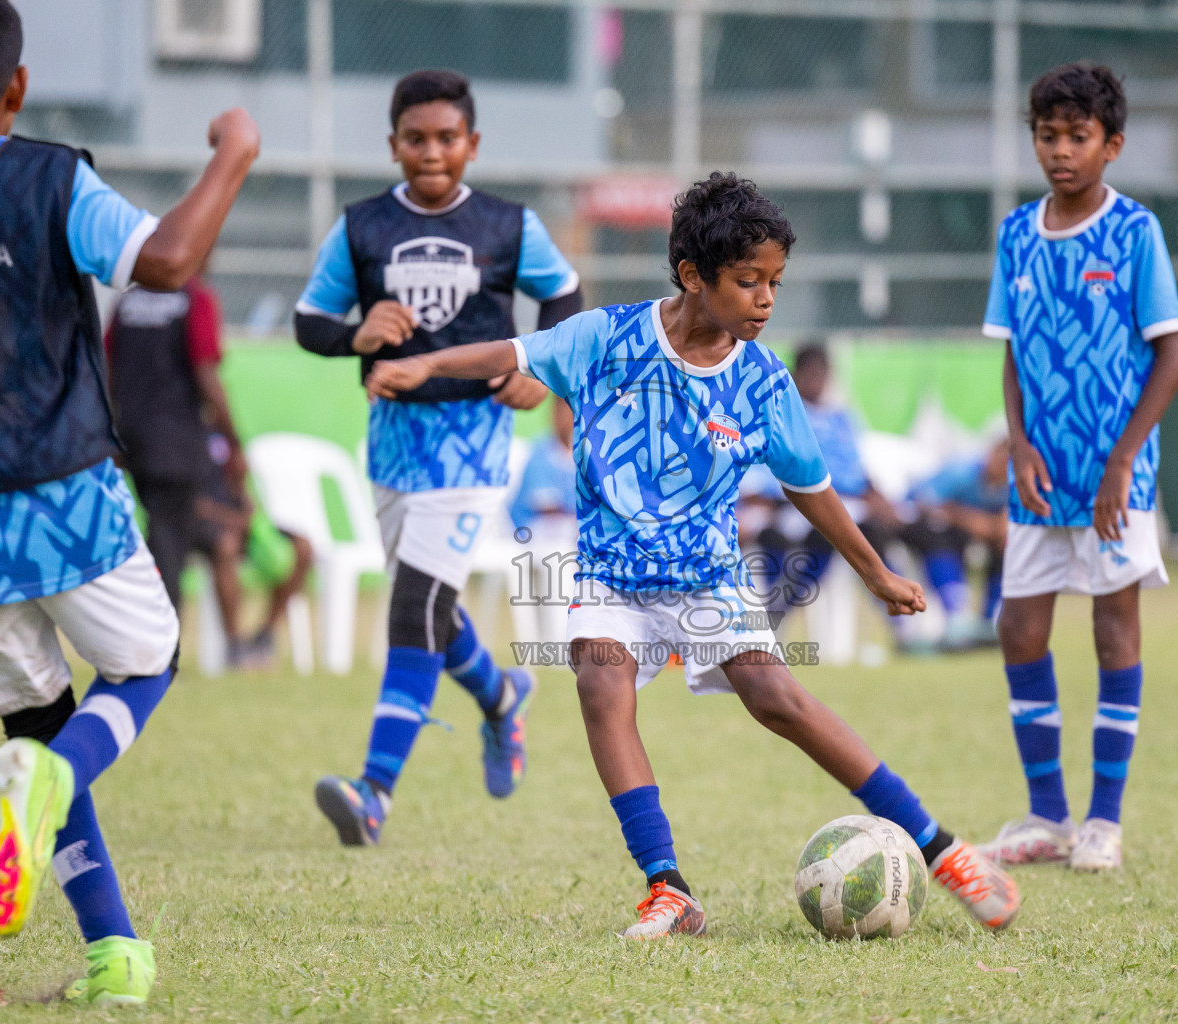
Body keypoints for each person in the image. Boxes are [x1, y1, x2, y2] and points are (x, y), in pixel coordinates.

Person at [364, 171, 1020, 939]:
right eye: (749, 282)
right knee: (600, 679)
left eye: (775, 282)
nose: (767, 299)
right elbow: (506, 349)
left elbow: (812, 489)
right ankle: (667, 887)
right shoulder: (603, 339)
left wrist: (875, 570)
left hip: (705, 578)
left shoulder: (764, 384)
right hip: (609, 572)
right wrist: (424, 366)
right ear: (692, 276)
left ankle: (943, 851)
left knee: (778, 698)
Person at [0, 0, 257, 1004]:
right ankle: (58, 787)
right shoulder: (48, 177)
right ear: (16, 89)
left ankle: (114, 955)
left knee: (32, 720)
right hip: (60, 492)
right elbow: (171, 260)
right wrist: (233, 153)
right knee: (146, 661)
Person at [292, 69, 583, 842]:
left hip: (474, 442)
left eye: (446, 138)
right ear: (394, 146)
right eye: (415, 139)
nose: (431, 152)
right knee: (434, 610)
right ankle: (500, 700)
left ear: (472, 145)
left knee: (413, 608)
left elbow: (566, 297)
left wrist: (536, 371)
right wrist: (354, 335)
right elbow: (307, 320)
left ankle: (374, 792)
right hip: (392, 445)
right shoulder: (359, 228)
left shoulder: (509, 226)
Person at [978, 64, 1178, 872]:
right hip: (1040, 477)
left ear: (1112, 145)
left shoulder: (1136, 233)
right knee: (1019, 626)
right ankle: (1046, 816)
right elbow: (1011, 355)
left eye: (1078, 137)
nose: (1060, 152)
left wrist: (1123, 459)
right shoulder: (1016, 235)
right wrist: (1019, 441)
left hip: (1114, 480)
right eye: (1047, 135)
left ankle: (1103, 822)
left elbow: (1169, 353)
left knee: (1112, 629)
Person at [105, 265, 245, 613]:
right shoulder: (194, 298)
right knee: (170, 543)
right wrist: (234, 442)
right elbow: (206, 373)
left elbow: (107, 368)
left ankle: (160, 639)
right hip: (178, 441)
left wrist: (110, 430)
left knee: (162, 534)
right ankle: (163, 645)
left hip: (135, 439)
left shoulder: (128, 302)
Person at [752, 343, 902, 620]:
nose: (817, 381)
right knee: (812, 532)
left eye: (822, 374)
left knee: (873, 530)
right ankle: (777, 607)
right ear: (795, 375)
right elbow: (766, 472)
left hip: (847, 500)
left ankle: (899, 612)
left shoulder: (842, 418)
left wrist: (878, 497)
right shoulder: (781, 413)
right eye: (810, 374)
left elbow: (859, 469)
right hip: (796, 501)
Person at [191, 434, 315, 668]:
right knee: (227, 545)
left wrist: (241, 483)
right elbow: (188, 503)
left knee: (303, 547)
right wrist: (235, 520)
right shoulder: (182, 437)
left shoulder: (226, 438)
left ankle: (265, 635)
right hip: (203, 528)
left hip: (243, 524)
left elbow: (246, 500)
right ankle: (235, 645)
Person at [898, 437, 1010, 651]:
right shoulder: (962, 472)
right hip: (914, 522)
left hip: (964, 533)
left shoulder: (1011, 484)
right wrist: (972, 521)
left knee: (1006, 545)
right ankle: (955, 616)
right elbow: (926, 505)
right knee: (938, 530)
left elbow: (1001, 525)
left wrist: (985, 526)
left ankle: (989, 622)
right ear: (993, 455)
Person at [508, 396, 578, 643]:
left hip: (571, 532)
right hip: (532, 532)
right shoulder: (542, 451)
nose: (566, 418)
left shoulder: (585, 452)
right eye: (561, 411)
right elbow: (546, 507)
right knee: (559, 553)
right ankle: (560, 641)